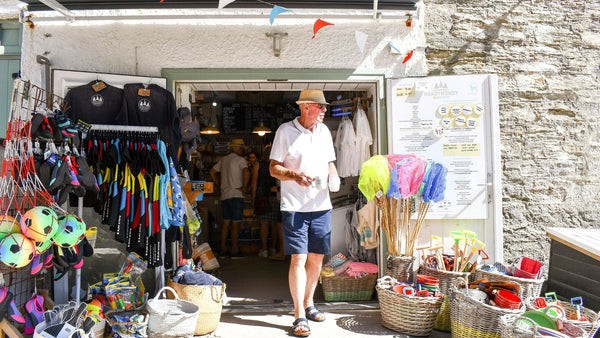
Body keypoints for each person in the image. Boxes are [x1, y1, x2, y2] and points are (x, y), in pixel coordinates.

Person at [269, 89, 340, 337]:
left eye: (324, 107)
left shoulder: (324, 132)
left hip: (321, 206)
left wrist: (333, 174)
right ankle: (299, 315)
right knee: (298, 259)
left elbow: (329, 161)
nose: (324, 111)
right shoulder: (285, 131)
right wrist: (293, 175)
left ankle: (309, 304)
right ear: (306, 107)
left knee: (317, 259)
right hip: (294, 206)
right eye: (320, 107)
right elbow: (273, 168)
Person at [210, 139, 250, 258]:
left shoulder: (224, 159)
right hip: (236, 195)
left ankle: (222, 249)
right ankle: (235, 249)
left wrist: (218, 184)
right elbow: (247, 172)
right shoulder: (240, 160)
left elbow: (212, 171)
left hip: (224, 195)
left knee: (225, 223)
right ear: (238, 148)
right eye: (241, 148)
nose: (242, 150)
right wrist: (244, 187)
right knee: (236, 224)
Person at [250, 145, 281, 258]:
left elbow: (254, 184)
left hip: (262, 197)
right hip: (274, 196)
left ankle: (264, 249)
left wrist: (253, 199)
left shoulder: (258, 164)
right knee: (274, 224)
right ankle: (273, 248)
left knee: (264, 224)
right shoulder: (277, 165)